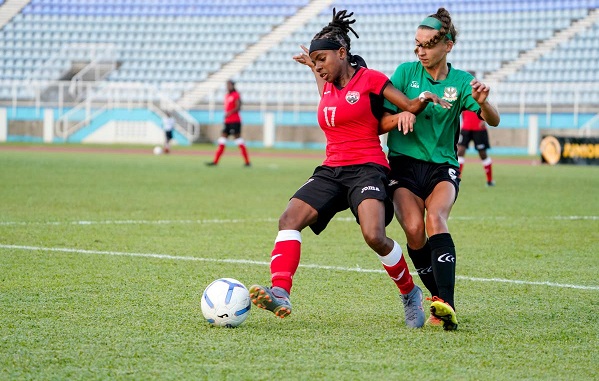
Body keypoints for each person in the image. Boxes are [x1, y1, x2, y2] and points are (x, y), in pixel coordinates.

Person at [249, 9, 450, 329]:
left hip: (368, 169)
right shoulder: (326, 84)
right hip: (331, 169)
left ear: (342, 54)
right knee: (288, 219)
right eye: (314, 61)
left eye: (322, 59)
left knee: (374, 235)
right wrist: (313, 64)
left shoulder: (371, 79)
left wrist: (420, 101)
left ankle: (410, 293)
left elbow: (407, 107)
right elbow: (323, 77)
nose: (318, 66)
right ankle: (281, 292)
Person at [381, 8, 500, 330]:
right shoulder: (405, 73)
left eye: (427, 45)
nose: (420, 51)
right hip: (404, 166)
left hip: (443, 167)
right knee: (415, 230)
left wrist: (484, 101)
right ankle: (437, 300)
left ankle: (446, 303)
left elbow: (493, 119)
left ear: (447, 45)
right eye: (416, 45)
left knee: (436, 218)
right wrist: (402, 115)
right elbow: (380, 122)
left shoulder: (461, 82)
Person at [457, 75, 495, 186]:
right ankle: (457, 179)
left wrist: (485, 120)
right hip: (466, 129)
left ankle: (489, 180)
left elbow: (488, 109)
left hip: (479, 129)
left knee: (483, 154)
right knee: (460, 151)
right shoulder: (462, 92)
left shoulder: (480, 93)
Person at [206, 80, 251, 167]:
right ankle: (215, 161)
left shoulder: (236, 95)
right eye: (227, 85)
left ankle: (247, 162)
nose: (227, 87)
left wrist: (229, 113)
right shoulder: (227, 95)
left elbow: (238, 107)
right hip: (227, 122)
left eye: (229, 85)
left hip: (235, 121)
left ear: (233, 85)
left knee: (238, 140)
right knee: (222, 140)